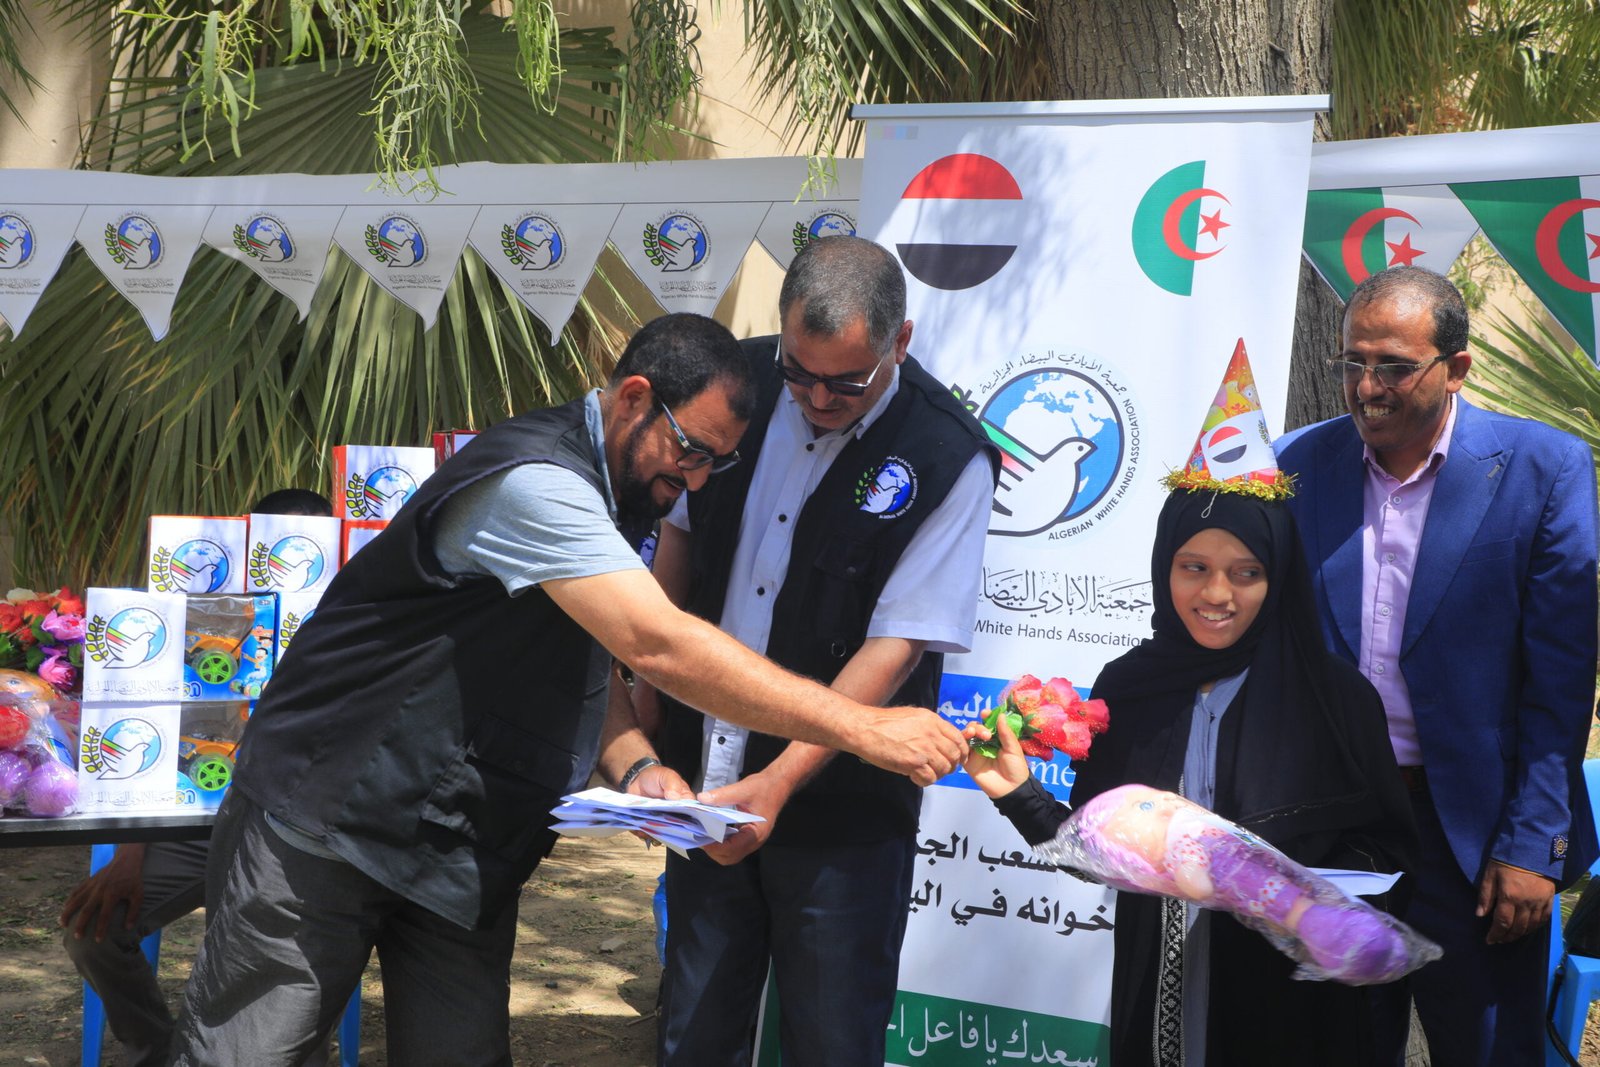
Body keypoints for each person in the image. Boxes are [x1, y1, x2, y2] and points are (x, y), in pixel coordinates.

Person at [169, 312, 968, 1066]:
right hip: (328, 814)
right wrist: (863, 728)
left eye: (715, 465)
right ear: (633, 399)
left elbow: (586, 655)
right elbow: (653, 642)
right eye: (690, 452)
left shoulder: (616, 490)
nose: (693, 480)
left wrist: (635, 772)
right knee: (252, 1049)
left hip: (458, 841)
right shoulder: (534, 482)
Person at [604, 236, 997, 1067]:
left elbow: (892, 649)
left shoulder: (947, 453)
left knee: (828, 1041)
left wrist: (779, 781)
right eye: (799, 369)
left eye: (845, 381)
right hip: (705, 788)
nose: (816, 396)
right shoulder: (732, 385)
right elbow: (675, 551)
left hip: (840, 815)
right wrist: (640, 708)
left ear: (902, 342)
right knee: (696, 1033)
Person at [965, 353, 1416, 1067]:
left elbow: (1390, 848)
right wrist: (1014, 793)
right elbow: (1096, 856)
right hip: (1159, 994)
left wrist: (1303, 888)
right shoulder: (1131, 685)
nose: (1217, 594)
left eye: (1247, 573)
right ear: (1163, 566)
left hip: (1291, 1013)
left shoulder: (1334, 699)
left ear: (1278, 576)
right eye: (1193, 568)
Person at [1277, 265, 1599, 1066]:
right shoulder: (1294, 466)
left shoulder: (1544, 469)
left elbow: (1560, 686)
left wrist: (1534, 846)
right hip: (1337, 832)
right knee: (1337, 1047)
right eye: (1352, 363)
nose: (1367, 387)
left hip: (1477, 843)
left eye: (1392, 365)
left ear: (1457, 368)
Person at [59, 487, 333, 1067]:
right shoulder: (191, 619)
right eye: (274, 551)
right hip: (194, 828)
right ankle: (156, 1051)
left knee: (287, 953)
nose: (287, 565)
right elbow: (146, 733)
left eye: (305, 553)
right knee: (94, 931)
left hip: (296, 830)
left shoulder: (349, 623)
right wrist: (129, 856)